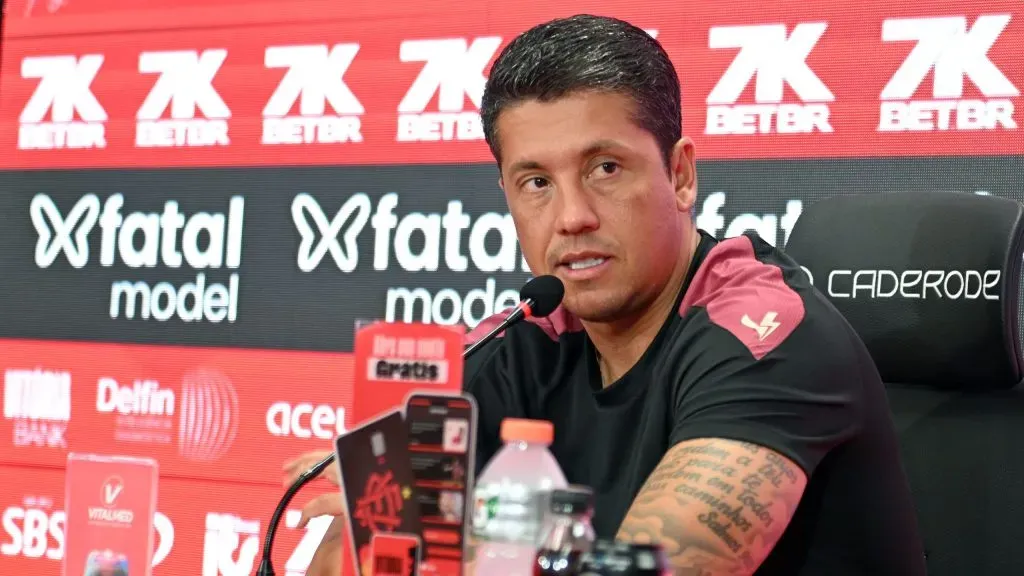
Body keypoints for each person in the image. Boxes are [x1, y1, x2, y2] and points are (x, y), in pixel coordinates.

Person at [287, 14, 927, 575]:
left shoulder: (769, 337)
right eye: (536, 181)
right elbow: (354, 546)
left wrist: (447, 545)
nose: (571, 217)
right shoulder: (521, 340)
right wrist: (378, 520)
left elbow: (661, 567)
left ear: (680, 174)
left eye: (605, 169)